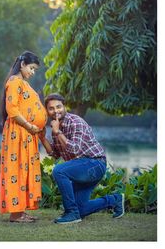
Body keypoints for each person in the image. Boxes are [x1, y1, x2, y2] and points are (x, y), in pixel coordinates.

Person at [39, 93, 125, 224]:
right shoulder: (56, 128)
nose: (56, 111)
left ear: (64, 106)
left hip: (94, 164)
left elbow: (74, 149)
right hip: (81, 168)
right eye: (51, 108)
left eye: (58, 106)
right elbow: (55, 154)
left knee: (59, 171)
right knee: (82, 209)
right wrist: (43, 138)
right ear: (47, 110)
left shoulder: (75, 122)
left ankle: (71, 213)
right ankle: (115, 199)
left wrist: (57, 132)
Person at [0, 51, 47, 223]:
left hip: (27, 134)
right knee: (17, 170)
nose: (33, 72)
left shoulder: (23, 83)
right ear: (22, 64)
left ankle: (21, 211)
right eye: (32, 68)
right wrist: (28, 125)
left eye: (35, 70)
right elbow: (12, 110)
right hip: (18, 132)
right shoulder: (14, 82)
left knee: (25, 171)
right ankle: (15, 214)